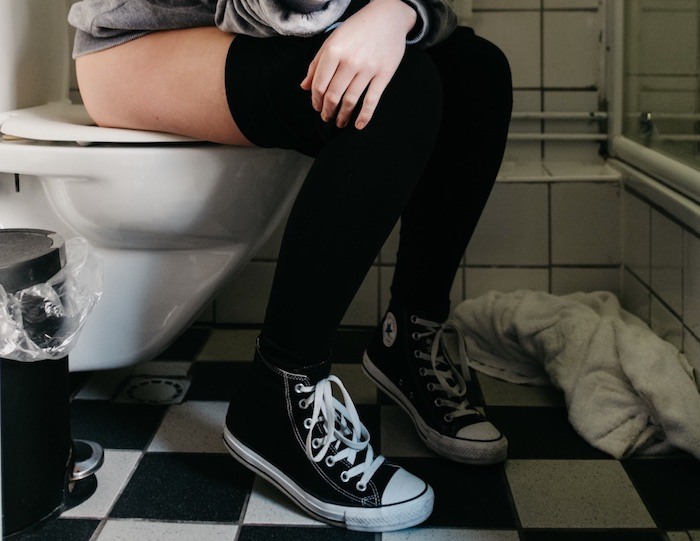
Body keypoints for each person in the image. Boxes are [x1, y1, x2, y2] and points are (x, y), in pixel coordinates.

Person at [69, 0, 512, 532]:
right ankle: (280, 389)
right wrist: (387, 14)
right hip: (132, 48)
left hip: (248, 34)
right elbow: (277, 9)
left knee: (478, 69)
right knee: (394, 88)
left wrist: (396, 13)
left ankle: (408, 336)